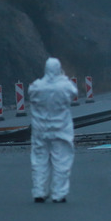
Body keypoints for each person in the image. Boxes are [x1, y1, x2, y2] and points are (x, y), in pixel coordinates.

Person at [28, 57, 78, 203]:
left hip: (40, 130)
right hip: (61, 129)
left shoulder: (37, 86)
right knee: (62, 161)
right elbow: (74, 93)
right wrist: (64, 77)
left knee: (39, 160)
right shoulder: (65, 85)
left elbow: (30, 93)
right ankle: (59, 194)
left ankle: (39, 191)